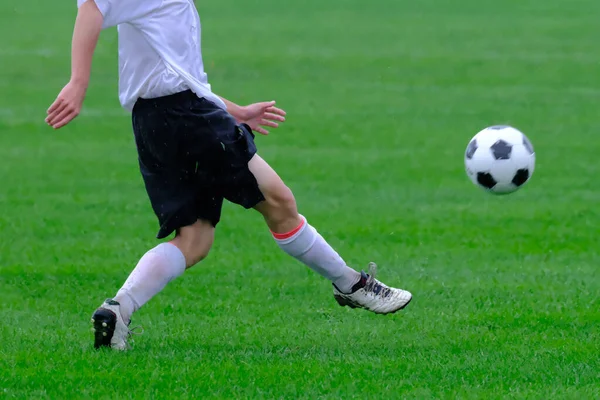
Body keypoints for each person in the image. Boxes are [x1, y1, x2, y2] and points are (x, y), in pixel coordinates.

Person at [46, 0, 413, 351]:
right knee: (280, 202)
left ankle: (118, 308)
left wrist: (235, 111)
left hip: (153, 123)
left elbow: (176, 75)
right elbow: (92, 7)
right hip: (186, 119)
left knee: (194, 238)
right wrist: (78, 81)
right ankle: (351, 283)